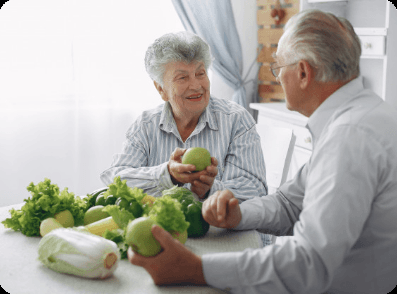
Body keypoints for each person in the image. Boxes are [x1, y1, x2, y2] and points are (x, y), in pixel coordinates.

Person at [127, 9, 397, 294]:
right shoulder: (360, 117)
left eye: (278, 67)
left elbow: (308, 263)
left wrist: (198, 269)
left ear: (303, 72)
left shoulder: (349, 138)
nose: (277, 77)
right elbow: (290, 204)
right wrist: (238, 216)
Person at [100, 31, 268, 201]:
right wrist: (167, 175)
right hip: (157, 225)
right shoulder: (145, 125)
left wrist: (211, 190)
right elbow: (115, 180)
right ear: (161, 89)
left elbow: (255, 190)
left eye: (200, 73)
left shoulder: (236, 121)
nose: (196, 86)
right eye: (182, 77)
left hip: (216, 227)